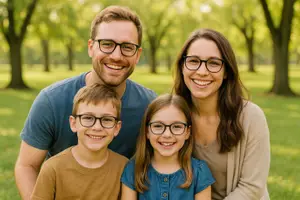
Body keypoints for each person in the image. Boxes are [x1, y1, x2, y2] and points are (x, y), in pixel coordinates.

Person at [15, 5, 156, 200]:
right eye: (107, 44)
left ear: (138, 55)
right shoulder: (52, 100)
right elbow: (26, 166)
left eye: (127, 47)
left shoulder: (149, 106)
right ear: (91, 47)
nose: (116, 55)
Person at [173, 28, 270, 200]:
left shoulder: (251, 117)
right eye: (193, 61)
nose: (202, 71)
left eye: (214, 63)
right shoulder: (171, 115)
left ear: (226, 71)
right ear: (182, 67)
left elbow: (251, 188)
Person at [31, 84, 128, 200]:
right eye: (87, 118)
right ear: (73, 123)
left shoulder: (124, 167)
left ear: (117, 128)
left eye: (107, 119)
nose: (97, 127)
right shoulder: (53, 168)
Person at [121, 94, 215, 200]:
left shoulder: (199, 172)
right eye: (158, 126)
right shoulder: (133, 169)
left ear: (187, 132)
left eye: (176, 127)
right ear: (147, 131)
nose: (167, 134)